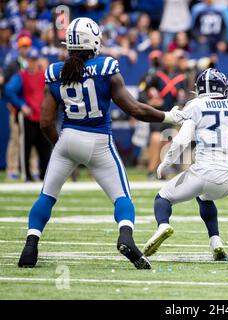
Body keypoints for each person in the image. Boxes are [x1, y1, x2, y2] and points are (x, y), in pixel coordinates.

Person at [17, 18, 187, 269]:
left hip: (68, 138)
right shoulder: (105, 66)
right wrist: (168, 116)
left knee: (47, 195)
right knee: (122, 197)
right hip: (99, 141)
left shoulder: (54, 72)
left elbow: (45, 122)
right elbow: (135, 109)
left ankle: (31, 244)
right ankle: (126, 237)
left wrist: (61, 145)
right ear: (94, 41)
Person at [143, 68, 228, 260]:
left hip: (203, 172)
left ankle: (163, 225)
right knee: (204, 197)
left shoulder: (196, 105)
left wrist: (166, 162)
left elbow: (181, 140)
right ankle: (216, 243)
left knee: (162, 198)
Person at [5, 48, 51, 181]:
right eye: (31, 60)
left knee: (44, 148)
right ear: (27, 61)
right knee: (26, 146)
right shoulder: (21, 75)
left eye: (35, 61)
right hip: (29, 117)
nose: (33, 63)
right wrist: (22, 105)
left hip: (42, 117)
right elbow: (9, 90)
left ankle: (44, 176)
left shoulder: (43, 75)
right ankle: (27, 175)